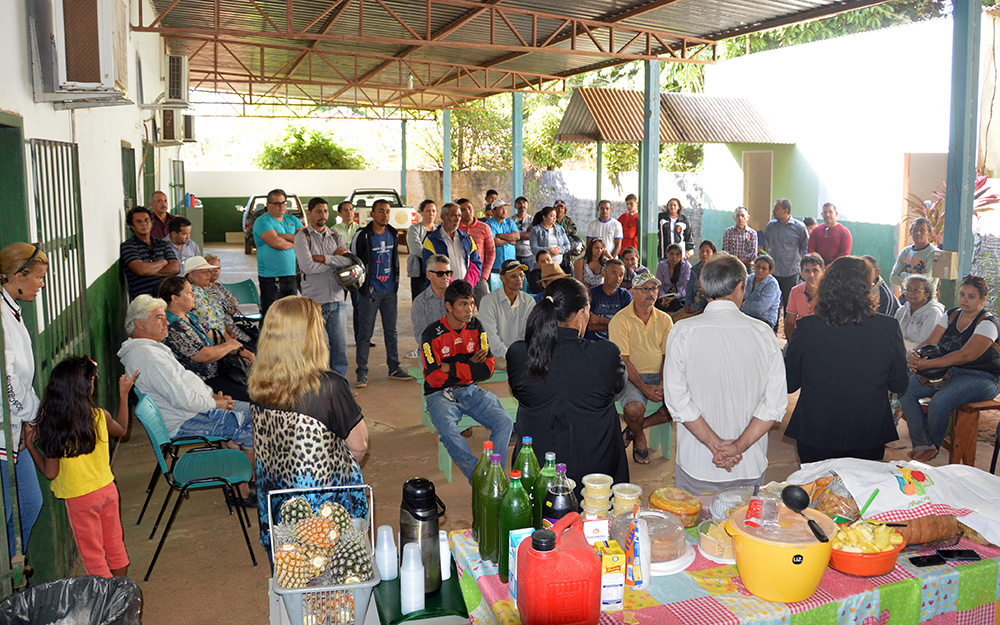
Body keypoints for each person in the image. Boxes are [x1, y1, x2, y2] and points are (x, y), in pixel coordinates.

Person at [247, 296, 368, 550]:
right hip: (323, 512)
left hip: (276, 505)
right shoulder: (328, 386)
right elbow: (359, 446)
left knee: (289, 572)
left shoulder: (258, 384)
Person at [664, 254, 787, 494]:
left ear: (703, 288)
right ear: (741, 287)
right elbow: (775, 403)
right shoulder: (763, 334)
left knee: (695, 528)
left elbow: (676, 400)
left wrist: (715, 444)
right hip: (748, 464)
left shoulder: (683, 331)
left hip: (698, 464)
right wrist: (739, 446)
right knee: (742, 529)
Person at [118, 295, 255, 505]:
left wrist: (211, 396)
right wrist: (215, 403)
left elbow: (185, 384)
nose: (166, 322)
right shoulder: (147, 356)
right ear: (140, 323)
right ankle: (241, 491)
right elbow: (182, 399)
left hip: (194, 408)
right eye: (159, 318)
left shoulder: (151, 348)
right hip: (184, 420)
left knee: (257, 412)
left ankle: (241, 474)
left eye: (165, 317)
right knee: (255, 427)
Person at [508, 278, 628, 497]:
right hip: (595, 475)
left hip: (537, 469)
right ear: (581, 314)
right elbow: (618, 385)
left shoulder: (519, 354)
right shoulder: (605, 354)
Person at [785, 256, 908, 463]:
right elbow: (899, 383)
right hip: (868, 433)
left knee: (816, 492)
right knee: (861, 493)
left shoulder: (807, 327)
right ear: (867, 288)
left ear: (825, 287)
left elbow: (789, 383)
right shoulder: (888, 328)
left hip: (816, 431)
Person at [23, 358, 133, 577]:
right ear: (87, 386)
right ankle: (121, 594)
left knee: (93, 554)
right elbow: (122, 430)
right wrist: (124, 395)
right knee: (114, 545)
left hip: (80, 498)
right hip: (107, 490)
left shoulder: (56, 428)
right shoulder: (100, 415)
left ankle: (105, 601)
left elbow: (50, 472)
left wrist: (30, 446)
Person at [421, 280, 513, 483]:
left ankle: (493, 472)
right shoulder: (432, 334)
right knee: (449, 433)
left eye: (471, 303)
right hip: (439, 395)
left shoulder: (476, 326)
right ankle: (479, 477)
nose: (469, 309)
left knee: (504, 422)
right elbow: (434, 377)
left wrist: (451, 367)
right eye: (463, 304)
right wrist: (469, 365)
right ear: (449, 306)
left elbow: (487, 368)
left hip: (471, 390)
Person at [901, 275, 1000, 462]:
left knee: (940, 400)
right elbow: (931, 341)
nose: (965, 299)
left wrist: (928, 364)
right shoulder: (952, 314)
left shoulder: (987, 324)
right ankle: (924, 445)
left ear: (982, 300)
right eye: (962, 294)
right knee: (907, 389)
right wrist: (915, 353)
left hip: (983, 378)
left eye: (971, 296)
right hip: (950, 370)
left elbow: (966, 355)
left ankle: (931, 448)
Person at [0, 243, 47, 559]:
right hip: (6, 429)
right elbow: (7, 380)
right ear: (18, 275)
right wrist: (32, 413)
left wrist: (32, 414)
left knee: (29, 503)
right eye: (39, 277)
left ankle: (13, 573)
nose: (42, 284)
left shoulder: (11, 309)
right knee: (13, 511)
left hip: (17, 426)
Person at [609, 273, 672, 465]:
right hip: (630, 377)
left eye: (653, 289)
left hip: (658, 375)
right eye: (644, 289)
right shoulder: (620, 320)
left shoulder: (665, 319)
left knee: (680, 406)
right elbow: (624, 361)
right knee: (634, 409)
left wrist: (662, 383)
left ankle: (632, 430)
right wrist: (644, 388)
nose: (650, 293)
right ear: (632, 292)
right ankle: (640, 437)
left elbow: (667, 356)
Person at [159, 276, 254, 402]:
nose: (194, 295)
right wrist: (230, 346)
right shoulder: (174, 326)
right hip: (201, 382)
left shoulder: (190, 316)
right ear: (174, 298)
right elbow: (203, 356)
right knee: (251, 398)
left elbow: (217, 339)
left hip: (219, 372)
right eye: (188, 293)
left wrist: (241, 350)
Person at [352, 199, 414, 388]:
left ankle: (394, 367)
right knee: (365, 333)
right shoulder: (362, 235)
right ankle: (362, 372)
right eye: (380, 211)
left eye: (387, 211)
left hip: (389, 291)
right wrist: (361, 287)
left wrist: (395, 284)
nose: (385, 215)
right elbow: (354, 260)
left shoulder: (393, 233)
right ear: (372, 214)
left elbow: (394, 260)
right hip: (370, 291)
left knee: (391, 331)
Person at [294, 197, 354, 377]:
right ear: (310, 213)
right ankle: (319, 385)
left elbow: (347, 261)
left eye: (325, 211)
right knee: (317, 348)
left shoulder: (336, 236)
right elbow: (308, 267)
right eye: (318, 211)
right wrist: (334, 259)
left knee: (340, 347)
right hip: (314, 302)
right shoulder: (302, 237)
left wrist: (324, 258)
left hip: (337, 300)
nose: (323, 215)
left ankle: (339, 385)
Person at [253, 188, 303, 317]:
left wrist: (281, 235)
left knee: (292, 315)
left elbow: (304, 239)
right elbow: (276, 243)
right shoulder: (262, 221)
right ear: (268, 204)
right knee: (272, 316)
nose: (281, 206)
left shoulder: (292, 219)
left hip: (292, 275)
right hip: (271, 278)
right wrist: (294, 241)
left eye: (283, 203)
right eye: (276, 203)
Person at [478, 260, 535, 369]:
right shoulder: (488, 301)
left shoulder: (529, 301)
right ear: (502, 278)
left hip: (520, 353)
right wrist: (509, 355)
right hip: (497, 353)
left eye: (521, 275)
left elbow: (529, 334)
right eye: (513, 276)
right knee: (506, 365)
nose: (519, 279)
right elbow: (491, 337)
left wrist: (521, 354)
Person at [120, 206, 180, 300]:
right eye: (138, 221)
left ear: (152, 223)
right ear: (132, 227)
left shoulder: (162, 244)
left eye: (146, 220)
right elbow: (141, 270)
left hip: (167, 294)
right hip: (145, 299)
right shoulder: (128, 246)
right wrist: (163, 262)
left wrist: (151, 272)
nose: (144, 224)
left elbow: (176, 268)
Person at [764, 198, 809, 316]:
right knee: (772, 303)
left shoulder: (799, 227)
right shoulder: (770, 226)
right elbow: (768, 242)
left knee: (790, 305)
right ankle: (773, 329)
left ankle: (788, 331)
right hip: (773, 272)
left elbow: (804, 246)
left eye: (776, 208)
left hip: (790, 272)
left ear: (786, 210)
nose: (773, 211)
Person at [422, 202, 482, 288]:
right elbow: (433, 269)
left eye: (459, 216)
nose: (457, 220)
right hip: (441, 291)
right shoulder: (431, 240)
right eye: (453, 216)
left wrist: (467, 285)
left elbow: (476, 264)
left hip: (465, 289)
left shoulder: (467, 239)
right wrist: (453, 287)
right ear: (443, 217)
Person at [202, 255, 256, 349]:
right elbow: (226, 306)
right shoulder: (205, 289)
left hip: (233, 325)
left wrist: (230, 304)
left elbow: (235, 302)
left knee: (254, 342)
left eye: (218, 268)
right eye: (213, 268)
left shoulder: (218, 285)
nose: (216, 271)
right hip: (224, 329)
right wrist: (230, 304)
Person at [457, 197, 496, 305]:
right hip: (460, 276)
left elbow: (491, 252)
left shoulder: (484, 228)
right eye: (463, 210)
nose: (467, 212)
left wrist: (484, 275)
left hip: (479, 276)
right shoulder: (455, 229)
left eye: (469, 208)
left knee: (486, 307)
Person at [890, 218, 938, 300]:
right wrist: (917, 278)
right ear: (910, 232)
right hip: (905, 298)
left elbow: (927, 281)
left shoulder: (934, 253)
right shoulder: (905, 252)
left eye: (922, 230)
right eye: (915, 230)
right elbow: (893, 278)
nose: (918, 233)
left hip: (925, 300)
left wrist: (903, 274)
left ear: (930, 233)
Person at [894, 275, 944, 350]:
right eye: (908, 289)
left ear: (927, 294)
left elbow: (926, 343)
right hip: (899, 352)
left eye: (916, 290)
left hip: (918, 356)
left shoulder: (933, 313)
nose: (911, 293)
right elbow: (893, 335)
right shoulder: (902, 311)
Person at [411, 254, 451, 348]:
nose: (445, 277)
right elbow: (421, 336)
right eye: (440, 273)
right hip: (431, 351)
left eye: (448, 273)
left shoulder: (458, 298)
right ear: (429, 275)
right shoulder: (420, 303)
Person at [586, 259, 631, 341]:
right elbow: (589, 326)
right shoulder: (591, 294)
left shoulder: (625, 296)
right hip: (593, 344)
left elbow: (627, 327)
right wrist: (615, 325)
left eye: (621, 275)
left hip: (618, 344)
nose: (618, 278)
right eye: (614, 274)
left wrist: (600, 320)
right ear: (604, 274)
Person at [784, 253, 824, 338]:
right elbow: (790, 323)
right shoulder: (795, 291)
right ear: (802, 274)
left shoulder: (829, 292)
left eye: (815, 271)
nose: (811, 275)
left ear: (823, 273)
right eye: (807, 271)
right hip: (802, 336)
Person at [407, 199, 438, 300]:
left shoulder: (439, 230)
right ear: (421, 212)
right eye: (428, 211)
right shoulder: (414, 229)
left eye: (433, 211)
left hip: (436, 272)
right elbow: (416, 249)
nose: (431, 214)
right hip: (419, 272)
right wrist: (435, 257)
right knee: (419, 301)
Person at [487, 199, 521, 291]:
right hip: (496, 266)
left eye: (505, 208)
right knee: (496, 293)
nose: (505, 211)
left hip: (512, 266)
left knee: (512, 291)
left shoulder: (510, 222)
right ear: (493, 211)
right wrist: (510, 240)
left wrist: (500, 236)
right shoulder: (488, 225)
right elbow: (494, 242)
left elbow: (517, 236)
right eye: (501, 208)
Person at [741, 255, 781, 329]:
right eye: (758, 266)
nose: (760, 270)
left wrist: (742, 304)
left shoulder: (772, 285)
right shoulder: (748, 279)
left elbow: (759, 308)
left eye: (764, 269)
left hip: (764, 320)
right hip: (747, 317)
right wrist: (753, 303)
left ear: (770, 272)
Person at [529, 205, 571, 269]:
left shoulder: (560, 229)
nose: (554, 218)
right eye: (551, 216)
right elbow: (534, 249)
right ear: (544, 217)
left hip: (558, 265)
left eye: (555, 216)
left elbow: (567, 245)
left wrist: (559, 250)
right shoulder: (536, 230)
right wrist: (549, 250)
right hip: (542, 267)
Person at [682, 240, 717, 317]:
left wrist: (695, 307)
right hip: (694, 302)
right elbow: (689, 288)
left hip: (708, 304)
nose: (704, 254)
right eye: (702, 251)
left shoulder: (716, 271)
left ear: (713, 254)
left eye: (708, 251)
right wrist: (688, 304)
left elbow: (712, 294)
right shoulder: (695, 269)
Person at [654, 243, 690, 313]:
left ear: (681, 256)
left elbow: (686, 288)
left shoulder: (686, 266)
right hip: (665, 296)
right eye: (671, 254)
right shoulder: (661, 266)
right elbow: (660, 286)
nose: (674, 257)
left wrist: (675, 297)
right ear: (666, 254)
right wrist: (663, 297)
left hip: (680, 297)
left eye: (677, 254)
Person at [512, 196, 534, 270]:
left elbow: (530, 235)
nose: (522, 205)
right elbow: (508, 237)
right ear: (515, 206)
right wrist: (525, 234)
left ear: (527, 205)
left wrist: (515, 236)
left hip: (529, 255)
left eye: (524, 203)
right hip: (514, 255)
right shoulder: (510, 220)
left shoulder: (532, 220)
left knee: (530, 278)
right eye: (519, 203)